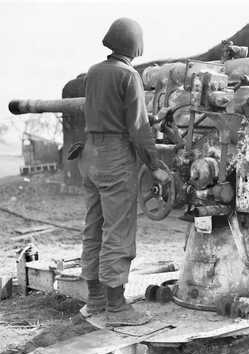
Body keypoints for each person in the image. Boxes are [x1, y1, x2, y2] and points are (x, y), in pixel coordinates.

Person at [78, 18, 169, 326]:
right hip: (116, 157)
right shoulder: (129, 75)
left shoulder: (94, 72)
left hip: (91, 154)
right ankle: (117, 308)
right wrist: (156, 167)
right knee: (118, 230)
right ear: (135, 44)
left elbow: (107, 110)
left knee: (94, 226)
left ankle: (95, 301)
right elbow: (139, 130)